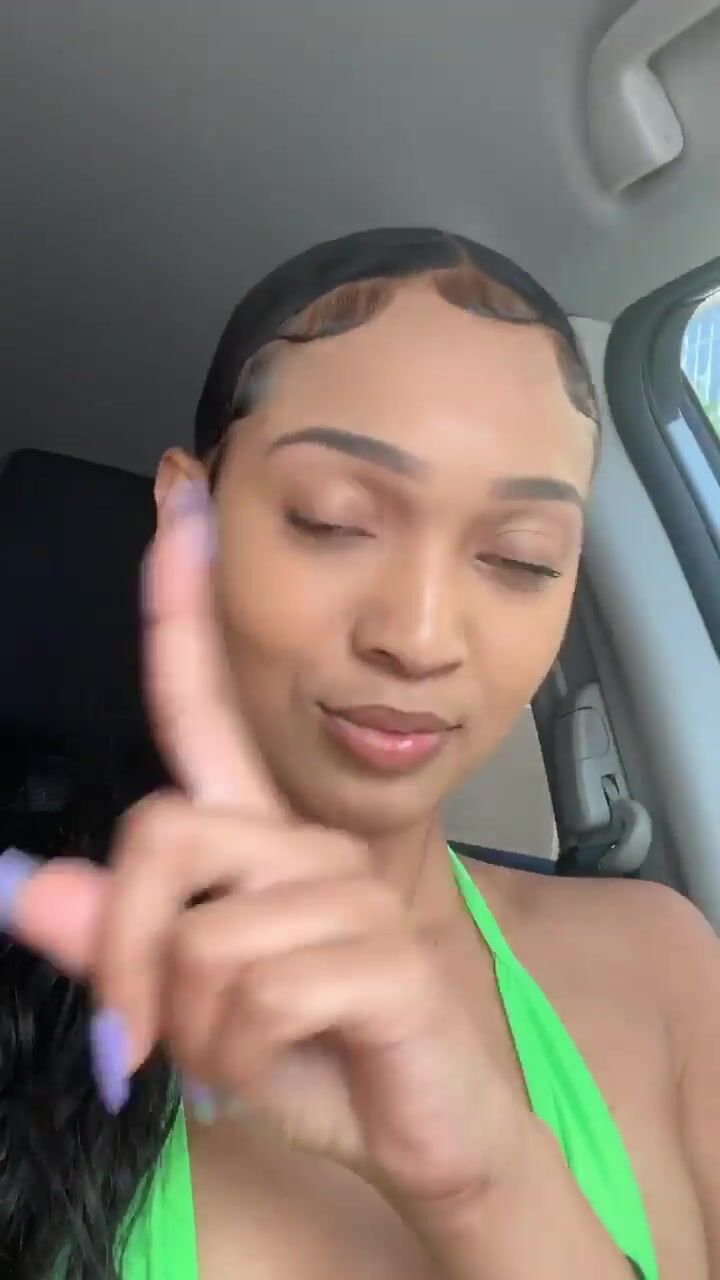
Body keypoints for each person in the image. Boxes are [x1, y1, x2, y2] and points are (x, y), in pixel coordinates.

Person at [0, 228, 717, 1280]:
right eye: (331, 520)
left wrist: (485, 1181)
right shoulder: (29, 982)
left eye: (519, 558)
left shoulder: (664, 967)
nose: (419, 637)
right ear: (186, 514)